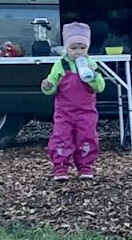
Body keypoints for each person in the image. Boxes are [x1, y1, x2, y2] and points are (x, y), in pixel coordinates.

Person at [42, 21, 108, 180]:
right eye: (73, 48)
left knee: (87, 136)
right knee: (61, 136)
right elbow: (52, 85)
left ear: (88, 48)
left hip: (86, 111)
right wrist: (48, 86)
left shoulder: (91, 64)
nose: (78, 52)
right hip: (64, 112)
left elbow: (100, 87)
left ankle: (85, 165)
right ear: (66, 48)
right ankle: (60, 166)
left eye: (82, 48)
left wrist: (93, 76)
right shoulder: (61, 65)